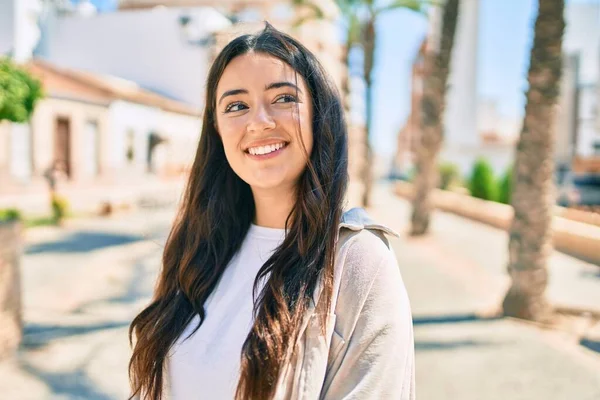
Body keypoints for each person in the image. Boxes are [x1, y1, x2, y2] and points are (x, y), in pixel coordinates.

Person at [128, 23, 415, 400]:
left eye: (283, 98)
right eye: (236, 105)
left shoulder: (356, 260)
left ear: (318, 114)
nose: (259, 122)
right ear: (216, 130)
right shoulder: (195, 251)